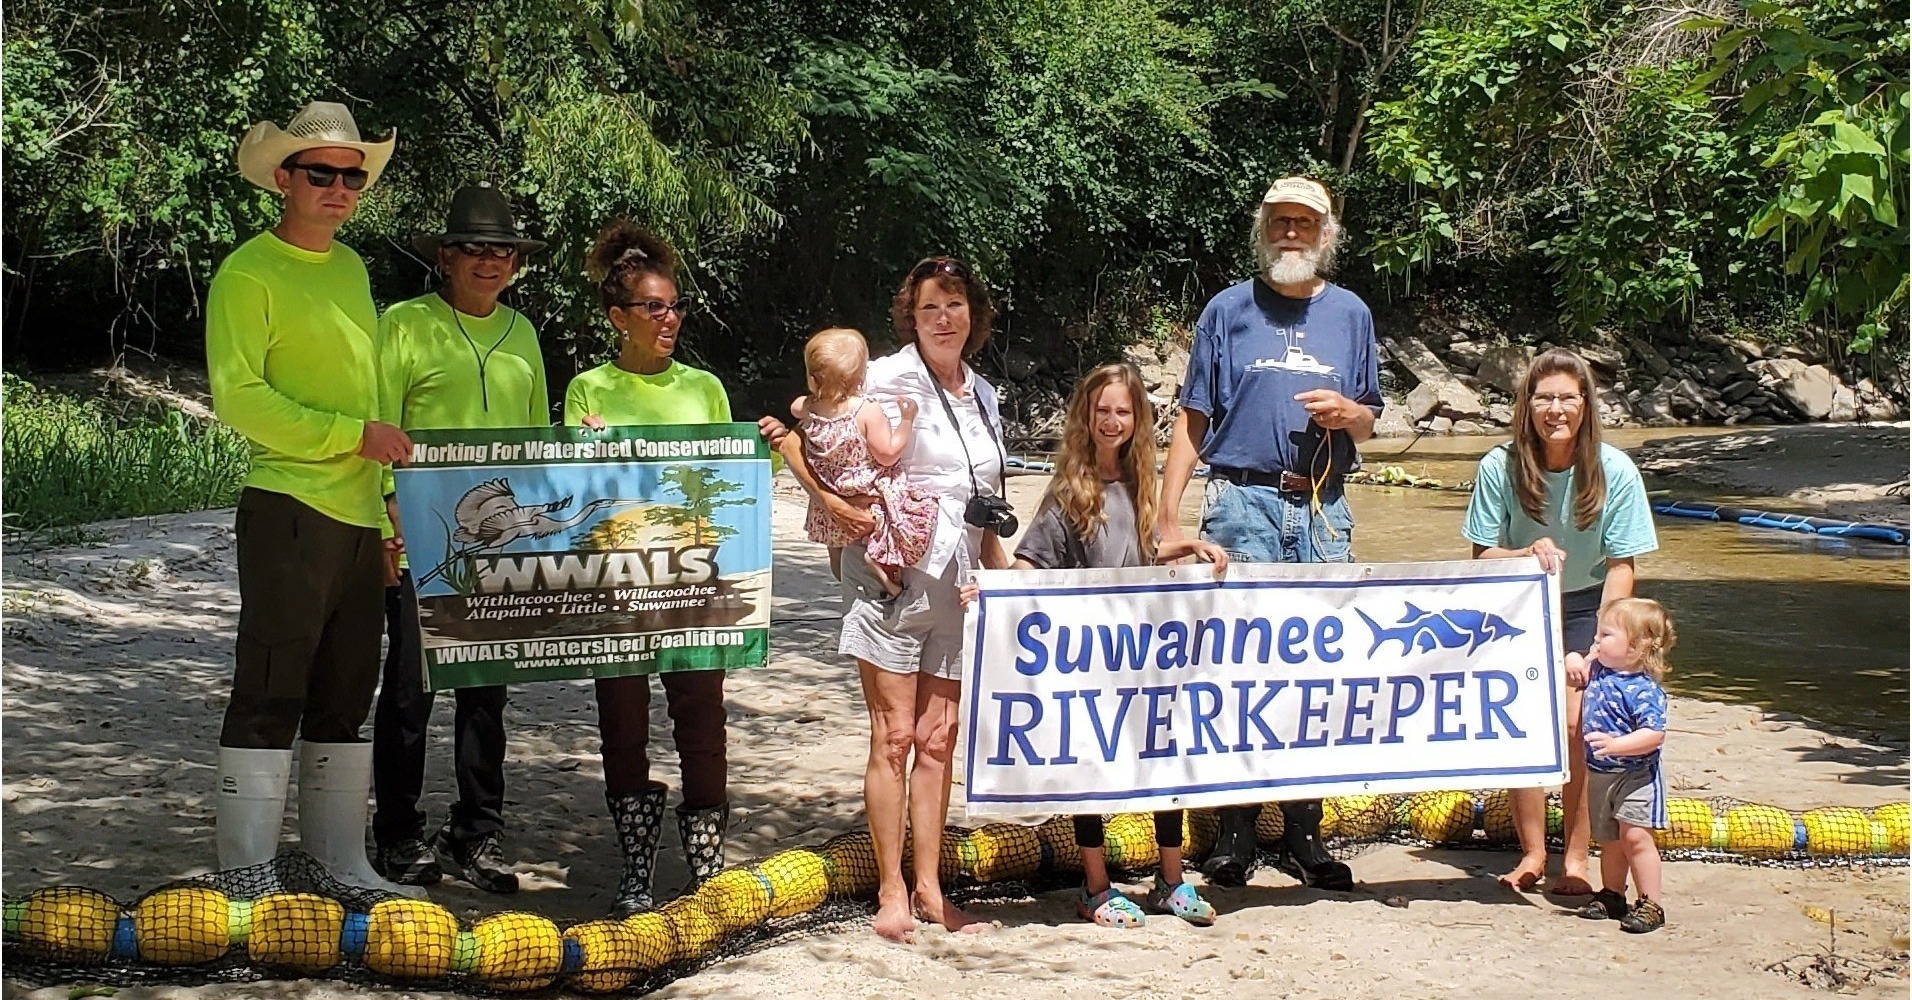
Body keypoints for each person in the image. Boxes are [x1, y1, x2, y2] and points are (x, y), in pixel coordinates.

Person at [206, 101, 416, 895]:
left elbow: (374, 400)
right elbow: (239, 399)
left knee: (346, 691)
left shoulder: (356, 269)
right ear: (283, 180)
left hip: (362, 517)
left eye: (352, 176)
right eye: (321, 174)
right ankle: (247, 875)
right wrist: (347, 436)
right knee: (269, 687)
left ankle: (341, 863)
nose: (339, 188)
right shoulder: (247, 272)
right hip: (288, 506)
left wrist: (387, 503)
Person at [1155, 176, 1381, 891]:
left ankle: (1305, 835)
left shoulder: (1351, 313)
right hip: (1240, 504)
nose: (1291, 233)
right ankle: (1235, 835)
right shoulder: (1227, 309)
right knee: (1236, 669)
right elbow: (1193, 419)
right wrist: (1166, 516)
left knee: (1317, 671)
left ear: (1326, 233)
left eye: (1304, 223)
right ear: (1263, 229)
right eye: (1280, 221)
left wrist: (1348, 413)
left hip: (1321, 509)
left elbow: (1372, 418)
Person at [782, 256, 1012, 941]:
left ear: (974, 315)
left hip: (958, 582)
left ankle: (932, 888)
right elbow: (805, 437)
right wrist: (827, 504)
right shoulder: (879, 378)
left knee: (939, 742)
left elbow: (982, 498)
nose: (944, 319)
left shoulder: (986, 396)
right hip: (889, 579)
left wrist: (1000, 572)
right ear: (910, 316)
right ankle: (891, 892)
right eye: (930, 308)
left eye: (955, 306)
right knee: (895, 735)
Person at [565, 220, 788, 916]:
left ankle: (705, 864)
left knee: (701, 713)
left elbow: (734, 477)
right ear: (617, 318)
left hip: (695, 579)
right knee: (622, 717)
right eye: (655, 308)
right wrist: (588, 449)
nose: (671, 319)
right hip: (620, 585)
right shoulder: (586, 390)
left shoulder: (706, 388)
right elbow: (574, 490)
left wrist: (772, 447)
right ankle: (636, 865)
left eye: (677, 306)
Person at [984, 363, 1227, 927]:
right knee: (1089, 768)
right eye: (1102, 411)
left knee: (1164, 760)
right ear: (1086, 418)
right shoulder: (1070, 490)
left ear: (1137, 418)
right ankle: (1097, 887)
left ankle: (1172, 881)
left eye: (1123, 411)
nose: (1112, 421)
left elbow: (1142, 554)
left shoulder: (1143, 481)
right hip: (1088, 661)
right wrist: (993, 592)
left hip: (1141, 653)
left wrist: (1189, 546)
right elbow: (1030, 563)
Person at [370, 184, 550, 894]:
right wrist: (388, 510)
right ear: (445, 256)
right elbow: (379, 422)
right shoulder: (404, 324)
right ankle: (397, 835)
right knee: (410, 692)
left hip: (497, 551)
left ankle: (474, 833)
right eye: (474, 248)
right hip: (420, 537)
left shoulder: (525, 333)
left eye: (502, 249)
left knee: (485, 696)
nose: (489, 260)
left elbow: (538, 443)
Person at [1462, 348, 1659, 895]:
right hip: (1517, 603)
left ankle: (1576, 858)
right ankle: (1531, 853)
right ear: (1526, 406)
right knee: (1524, 725)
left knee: (1576, 727)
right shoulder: (1498, 465)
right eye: (1543, 398)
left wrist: (1601, 641)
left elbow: (1623, 565)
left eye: (1566, 398)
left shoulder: (1615, 469)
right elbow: (1481, 555)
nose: (1555, 409)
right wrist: (1524, 555)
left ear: (1584, 405)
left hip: (1588, 605)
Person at [792, 327, 940, 592]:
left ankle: (845, 575)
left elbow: (796, 407)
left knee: (838, 555)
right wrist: (906, 421)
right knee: (906, 515)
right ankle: (880, 563)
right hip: (867, 493)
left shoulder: (808, 408)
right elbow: (887, 454)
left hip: (833, 495)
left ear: (813, 379)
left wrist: (814, 397)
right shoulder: (866, 410)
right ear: (861, 376)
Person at [1575, 597, 1673, 934]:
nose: (1596, 641)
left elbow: (1654, 734)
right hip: (1601, 772)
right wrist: (1574, 659)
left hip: (1636, 775)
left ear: (1636, 647)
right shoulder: (1599, 668)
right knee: (1609, 839)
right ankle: (1613, 894)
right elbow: (1575, 663)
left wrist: (1618, 745)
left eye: (1605, 635)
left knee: (1635, 837)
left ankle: (1651, 903)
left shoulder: (1644, 690)